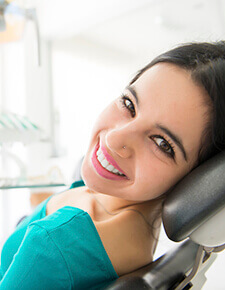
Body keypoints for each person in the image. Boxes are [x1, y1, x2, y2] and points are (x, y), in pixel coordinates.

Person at [1, 41, 225, 289]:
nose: (113, 138)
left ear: (198, 179)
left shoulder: (53, 247)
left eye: (162, 143)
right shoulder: (126, 225)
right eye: (129, 104)